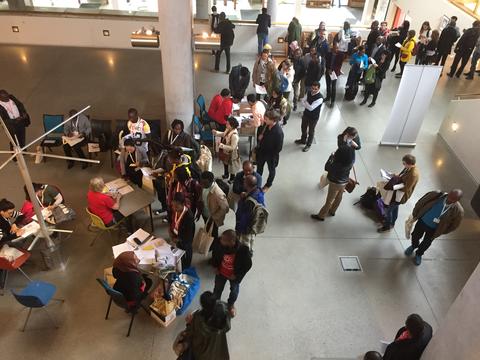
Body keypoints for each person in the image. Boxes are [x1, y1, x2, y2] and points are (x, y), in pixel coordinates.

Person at [405, 189, 464, 265]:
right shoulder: (436, 195)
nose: (449, 199)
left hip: (434, 230)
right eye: (449, 195)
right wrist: (415, 214)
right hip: (422, 221)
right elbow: (421, 202)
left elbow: (454, 225)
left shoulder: (458, 211)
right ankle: (413, 246)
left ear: (457, 200)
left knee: (426, 243)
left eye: (453, 199)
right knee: (415, 235)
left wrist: (442, 231)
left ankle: (419, 254)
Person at [212, 229, 252, 317]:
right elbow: (214, 254)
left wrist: (237, 275)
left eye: (224, 240)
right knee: (217, 290)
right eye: (222, 239)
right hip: (221, 273)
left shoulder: (243, 250)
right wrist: (215, 266)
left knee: (234, 291)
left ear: (232, 241)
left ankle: (230, 305)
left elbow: (248, 265)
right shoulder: (219, 244)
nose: (221, 241)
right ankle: (215, 304)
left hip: (233, 276)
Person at [311, 146, 355, 221]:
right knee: (339, 197)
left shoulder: (337, 164)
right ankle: (333, 211)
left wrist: (331, 157)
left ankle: (321, 216)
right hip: (345, 181)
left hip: (335, 183)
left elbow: (327, 167)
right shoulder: (351, 161)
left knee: (329, 200)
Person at [183, 291, 231, 360]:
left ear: (203, 305)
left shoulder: (198, 319)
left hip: (204, 354)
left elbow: (193, 338)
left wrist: (189, 323)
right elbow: (228, 327)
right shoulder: (222, 314)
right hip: (220, 350)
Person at [378, 154, 419, 232]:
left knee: (388, 210)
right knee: (394, 208)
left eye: (404, 163)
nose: (403, 165)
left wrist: (393, 187)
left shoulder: (413, 174)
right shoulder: (409, 168)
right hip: (397, 194)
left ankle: (387, 226)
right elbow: (403, 177)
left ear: (409, 164)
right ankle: (392, 222)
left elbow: (406, 188)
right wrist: (395, 176)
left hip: (401, 195)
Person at [199, 171, 229, 251]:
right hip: (206, 214)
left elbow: (225, 208)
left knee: (213, 233)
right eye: (201, 182)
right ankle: (210, 243)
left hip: (213, 218)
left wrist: (214, 217)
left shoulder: (218, 193)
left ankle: (213, 246)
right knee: (208, 229)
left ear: (211, 181)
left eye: (204, 183)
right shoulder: (205, 187)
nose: (202, 184)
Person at [255, 110, 284, 192]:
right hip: (262, 152)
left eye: (266, 119)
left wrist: (270, 153)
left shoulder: (278, 132)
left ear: (273, 120)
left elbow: (279, 148)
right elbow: (260, 134)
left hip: (271, 155)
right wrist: (260, 138)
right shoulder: (265, 126)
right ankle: (257, 182)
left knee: (271, 170)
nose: (264, 120)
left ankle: (268, 184)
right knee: (259, 167)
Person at [235, 175, 265, 251]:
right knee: (251, 238)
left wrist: (239, 229)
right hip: (255, 223)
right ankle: (251, 248)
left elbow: (245, 217)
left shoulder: (249, 201)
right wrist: (246, 195)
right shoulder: (259, 191)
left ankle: (247, 254)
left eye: (244, 182)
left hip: (247, 227)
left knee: (245, 242)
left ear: (246, 184)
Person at [295, 81, 323, 152]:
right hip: (306, 114)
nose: (313, 90)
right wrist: (306, 104)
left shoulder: (320, 98)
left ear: (319, 89)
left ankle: (308, 144)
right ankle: (303, 140)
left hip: (314, 118)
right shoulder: (309, 92)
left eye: (315, 89)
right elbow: (302, 100)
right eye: (312, 88)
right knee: (303, 128)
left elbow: (311, 108)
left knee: (311, 131)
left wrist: (305, 103)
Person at [170, 192, 195, 269]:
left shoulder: (189, 217)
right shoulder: (176, 211)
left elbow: (189, 235)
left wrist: (178, 239)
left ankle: (186, 266)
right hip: (177, 237)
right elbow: (173, 222)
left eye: (176, 206)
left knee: (186, 251)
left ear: (183, 204)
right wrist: (171, 232)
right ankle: (181, 262)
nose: (174, 208)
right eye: (173, 206)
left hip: (185, 240)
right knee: (179, 251)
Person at [213, 117, 242, 182]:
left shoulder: (234, 136)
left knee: (231, 165)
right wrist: (216, 133)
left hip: (232, 152)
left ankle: (232, 178)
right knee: (225, 162)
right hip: (225, 149)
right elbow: (223, 134)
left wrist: (222, 146)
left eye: (228, 124)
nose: (226, 125)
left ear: (232, 126)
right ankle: (226, 174)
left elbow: (232, 147)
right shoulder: (228, 129)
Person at [325, 42, 344, 108]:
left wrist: (332, 70)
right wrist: (328, 69)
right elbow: (326, 63)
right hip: (328, 71)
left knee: (333, 87)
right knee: (328, 85)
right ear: (332, 47)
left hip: (334, 73)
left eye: (337, 48)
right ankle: (328, 97)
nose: (336, 49)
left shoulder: (341, 55)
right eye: (335, 48)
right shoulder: (328, 54)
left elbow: (339, 65)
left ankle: (332, 101)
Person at [278, 59, 294, 124]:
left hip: (286, 89)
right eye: (282, 65)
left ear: (287, 66)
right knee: (281, 102)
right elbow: (279, 75)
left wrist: (284, 73)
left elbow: (287, 80)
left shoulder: (291, 71)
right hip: (281, 87)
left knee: (285, 103)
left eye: (284, 65)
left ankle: (285, 118)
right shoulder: (283, 68)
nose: (282, 66)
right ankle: (281, 115)